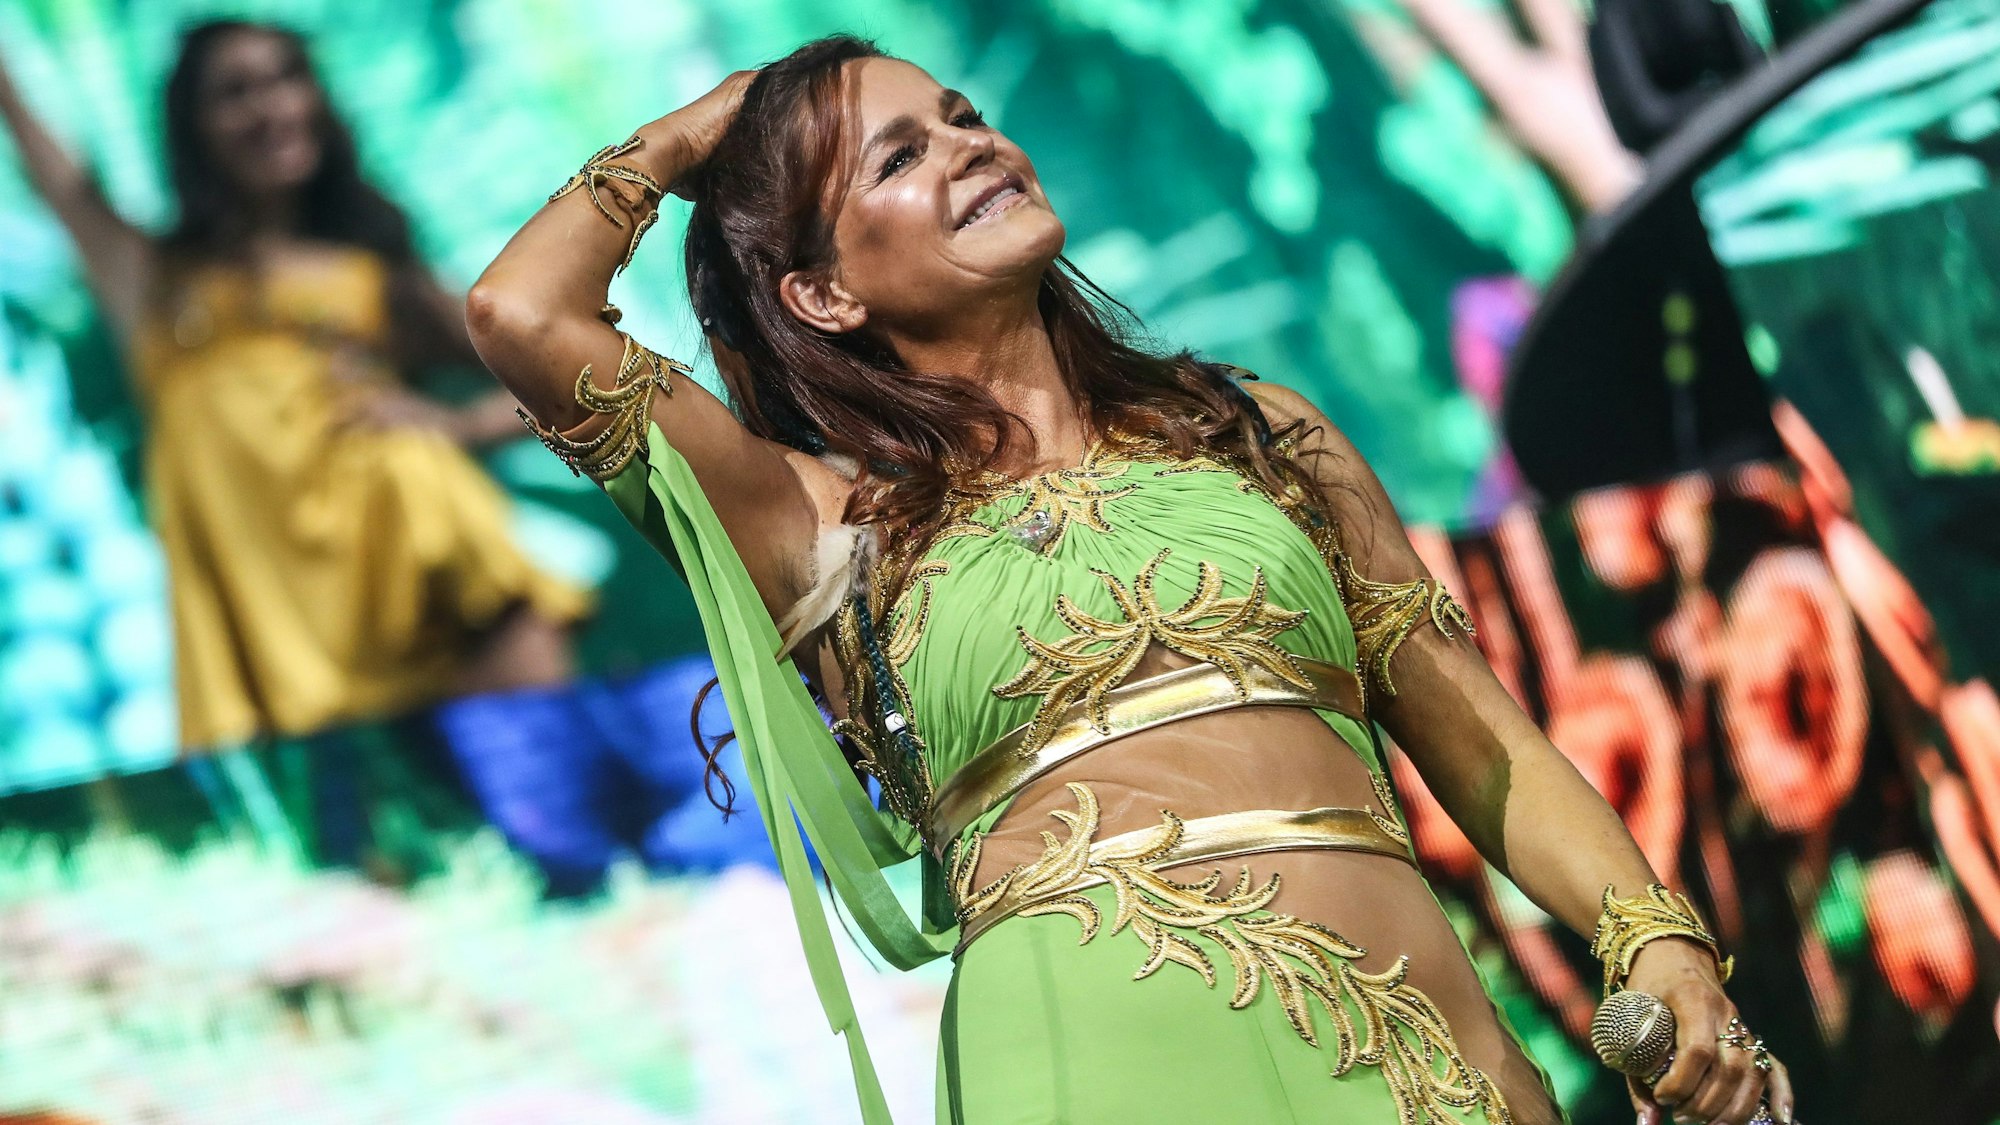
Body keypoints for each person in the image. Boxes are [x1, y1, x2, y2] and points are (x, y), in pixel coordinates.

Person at [468, 35, 1795, 1125]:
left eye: (967, 115)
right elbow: (523, 316)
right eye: (901, 153)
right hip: (1089, 1063)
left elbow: (1491, 748)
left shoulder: (1264, 434)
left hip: (1422, 1055)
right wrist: (703, 131)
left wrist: (1658, 943)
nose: (974, 144)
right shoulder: (813, 521)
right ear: (821, 295)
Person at [0, 22, 590, 875]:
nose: (268, 106)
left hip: (427, 568)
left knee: (558, 837)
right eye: (234, 91)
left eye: (283, 79)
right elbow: (47, 161)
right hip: (285, 632)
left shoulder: (369, 267)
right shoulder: (150, 277)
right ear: (191, 124)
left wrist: (455, 426)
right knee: (378, 880)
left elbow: (567, 383)